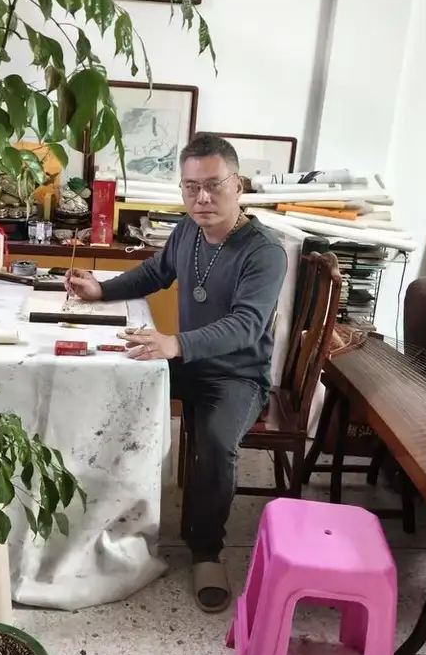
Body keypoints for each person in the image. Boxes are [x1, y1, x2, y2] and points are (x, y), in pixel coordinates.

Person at [65, 134, 287, 613]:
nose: (202, 198)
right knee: (116, 381)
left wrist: (177, 343)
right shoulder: (188, 229)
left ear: (238, 185)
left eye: (214, 185)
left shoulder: (265, 251)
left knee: (216, 443)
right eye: (191, 187)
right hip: (187, 360)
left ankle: (206, 550)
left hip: (236, 376)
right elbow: (155, 272)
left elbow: (247, 325)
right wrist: (101, 290)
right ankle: (108, 513)